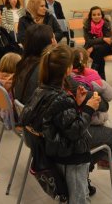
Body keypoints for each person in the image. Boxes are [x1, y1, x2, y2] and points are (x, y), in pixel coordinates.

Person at [21, 44, 101, 204]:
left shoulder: (41, 91)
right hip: (72, 156)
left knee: (74, 194)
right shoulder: (62, 99)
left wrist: (76, 103)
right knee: (79, 198)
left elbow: (61, 121)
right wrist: (88, 108)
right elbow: (76, 131)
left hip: (54, 151)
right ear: (67, 70)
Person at [13, 24, 56, 105]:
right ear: (48, 43)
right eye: (53, 38)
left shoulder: (24, 63)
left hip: (25, 111)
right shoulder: (44, 68)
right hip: (37, 114)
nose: (55, 41)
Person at [72, 47, 112, 125]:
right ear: (86, 63)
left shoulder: (68, 77)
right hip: (91, 118)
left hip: (75, 115)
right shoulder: (93, 77)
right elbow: (109, 95)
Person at [83, 6, 112, 80]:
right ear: (90, 16)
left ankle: (93, 73)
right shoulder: (87, 25)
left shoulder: (106, 24)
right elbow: (89, 41)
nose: (96, 16)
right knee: (100, 56)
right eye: (94, 15)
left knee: (101, 49)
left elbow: (108, 41)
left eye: (98, 14)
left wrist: (93, 47)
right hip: (95, 49)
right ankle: (102, 80)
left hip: (104, 48)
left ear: (102, 15)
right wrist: (103, 39)